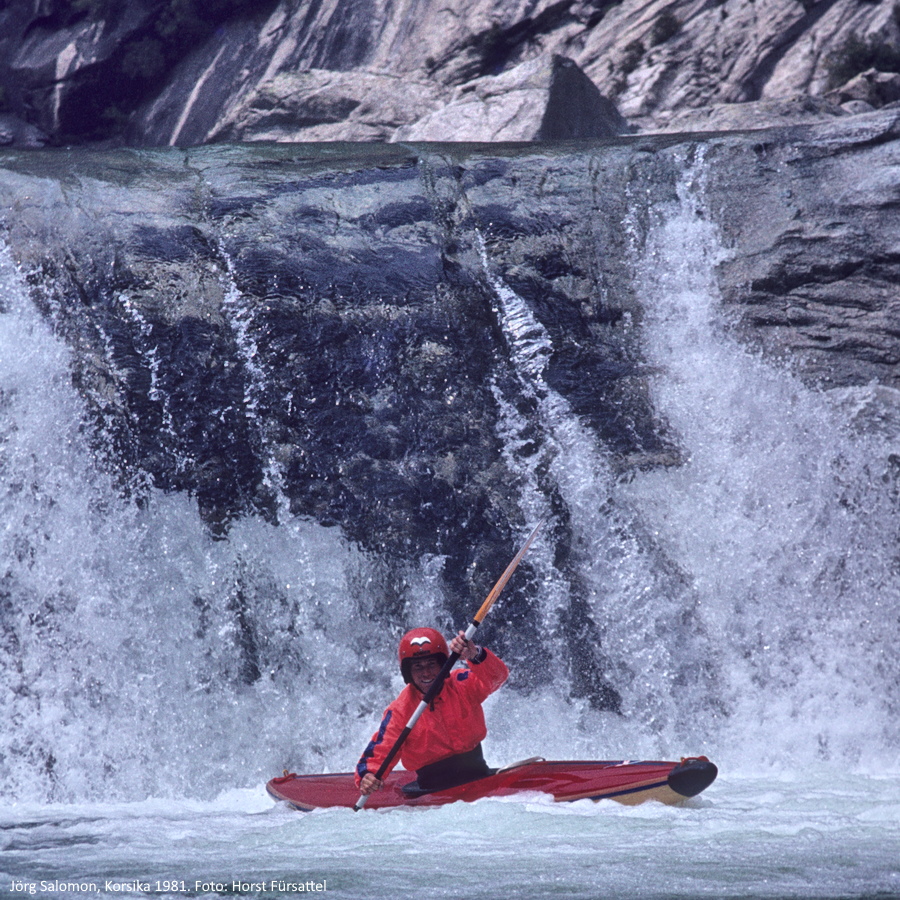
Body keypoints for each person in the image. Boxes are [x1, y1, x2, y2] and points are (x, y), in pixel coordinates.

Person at [355, 626, 509, 795]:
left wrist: (475, 654)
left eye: (431, 664)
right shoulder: (400, 711)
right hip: (431, 790)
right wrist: (368, 775)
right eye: (418, 667)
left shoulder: (461, 683)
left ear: (443, 665)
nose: (426, 673)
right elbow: (380, 749)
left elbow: (497, 677)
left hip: (478, 775)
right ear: (408, 672)